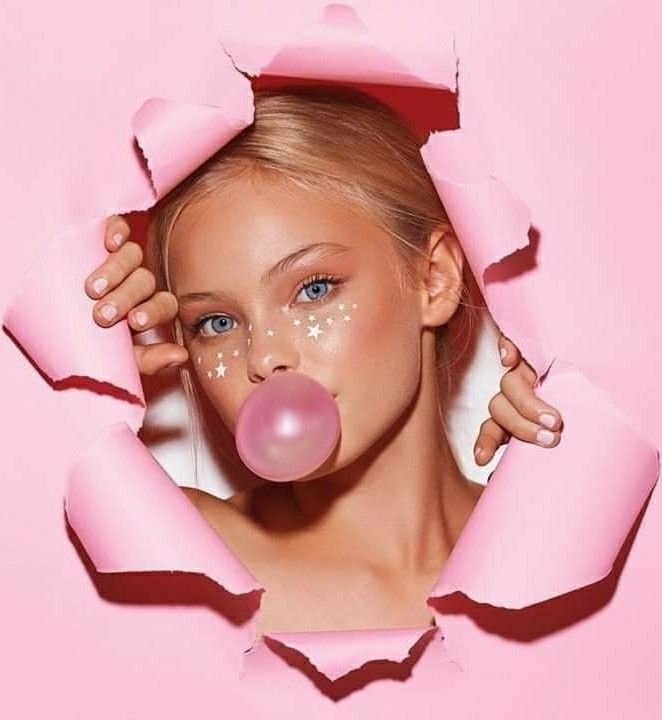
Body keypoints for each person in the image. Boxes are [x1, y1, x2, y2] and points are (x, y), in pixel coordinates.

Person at [84, 86, 563, 633]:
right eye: (216, 324)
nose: (264, 357)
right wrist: (75, 390)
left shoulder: (550, 541)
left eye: (313, 289)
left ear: (435, 279)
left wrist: (569, 462)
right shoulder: (184, 554)